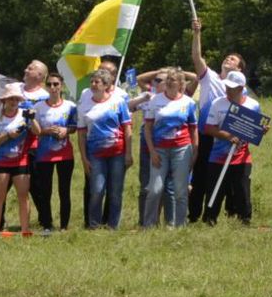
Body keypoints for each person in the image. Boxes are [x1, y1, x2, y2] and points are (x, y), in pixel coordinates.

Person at [186, 17, 248, 223]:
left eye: (233, 60)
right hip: (207, 134)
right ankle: (195, 215)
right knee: (201, 176)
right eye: (227, 58)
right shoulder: (209, 76)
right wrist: (197, 33)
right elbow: (196, 57)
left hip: (230, 138)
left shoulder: (242, 90)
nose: (228, 60)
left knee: (231, 177)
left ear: (239, 70)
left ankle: (232, 213)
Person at [77, 66, 132, 230]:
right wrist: (84, 158)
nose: (93, 84)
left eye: (97, 82)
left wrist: (128, 153)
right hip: (95, 154)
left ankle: (113, 225)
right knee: (97, 190)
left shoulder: (119, 102)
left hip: (117, 153)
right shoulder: (83, 105)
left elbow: (127, 128)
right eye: (92, 81)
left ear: (107, 85)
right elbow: (81, 134)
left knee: (115, 192)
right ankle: (94, 225)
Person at [202, 70, 260, 225]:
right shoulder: (217, 104)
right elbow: (209, 128)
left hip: (242, 156)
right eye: (226, 86)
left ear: (241, 88)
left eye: (232, 87)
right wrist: (227, 136)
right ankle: (210, 219)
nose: (227, 89)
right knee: (215, 189)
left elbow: (256, 129)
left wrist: (260, 131)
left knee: (242, 189)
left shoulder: (253, 105)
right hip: (218, 156)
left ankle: (245, 220)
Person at [142, 68, 198, 229]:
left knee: (180, 190)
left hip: (182, 149)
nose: (168, 82)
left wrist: (195, 150)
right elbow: (147, 127)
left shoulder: (188, 102)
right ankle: (149, 225)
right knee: (155, 189)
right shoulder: (155, 100)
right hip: (159, 150)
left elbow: (193, 128)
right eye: (167, 79)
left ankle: (180, 226)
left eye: (172, 80)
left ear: (181, 84)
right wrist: (152, 151)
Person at [30, 74, 78, 232]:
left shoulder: (70, 106)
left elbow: (74, 127)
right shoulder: (38, 107)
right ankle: (46, 224)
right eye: (49, 84)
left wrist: (66, 130)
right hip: (44, 155)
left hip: (65, 155)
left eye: (56, 84)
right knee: (45, 191)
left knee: (64, 190)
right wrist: (46, 131)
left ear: (62, 86)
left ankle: (64, 226)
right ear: (45, 86)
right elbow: (34, 130)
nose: (52, 87)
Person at [0, 82, 34, 234]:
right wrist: (8, 135)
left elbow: (38, 132)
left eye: (16, 99)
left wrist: (32, 119)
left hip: (21, 159)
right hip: (0, 160)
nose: (13, 102)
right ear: (4, 101)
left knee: (23, 195)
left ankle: (25, 230)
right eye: (10, 99)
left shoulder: (24, 113)